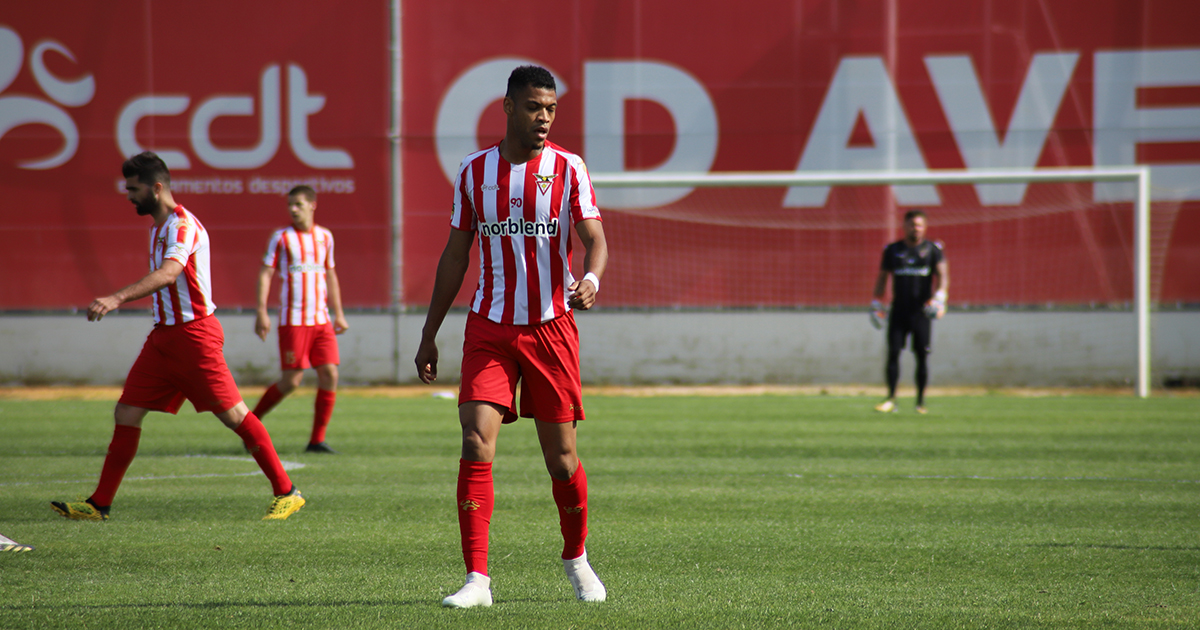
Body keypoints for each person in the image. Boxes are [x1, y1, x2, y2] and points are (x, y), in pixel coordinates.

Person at [414, 65, 609, 609]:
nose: (543, 118)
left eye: (550, 109)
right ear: (507, 107)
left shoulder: (569, 168)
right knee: (476, 440)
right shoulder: (474, 172)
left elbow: (594, 237)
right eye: (533, 107)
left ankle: (576, 559)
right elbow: (456, 255)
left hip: (551, 330)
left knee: (562, 460)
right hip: (489, 328)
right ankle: (477, 579)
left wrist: (590, 279)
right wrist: (430, 333)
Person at [51, 151, 305, 522]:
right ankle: (99, 504)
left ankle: (287, 491)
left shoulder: (181, 226)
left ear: (157, 188)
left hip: (194, 336)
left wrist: (116, 297)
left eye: (134, 189)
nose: (128, 196)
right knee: (127, 411)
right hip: (164, 339)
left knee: (235, 415)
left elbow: (170, 273)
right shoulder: (158, 227)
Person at [251, 185, 349, 453]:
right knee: (291, 381)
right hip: (293, 320)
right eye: (290, 205)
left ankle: (317, 440)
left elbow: (331, 275)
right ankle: (250, 423)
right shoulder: (281, 238)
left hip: (321, 320)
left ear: (312, 205)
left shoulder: (325, 237)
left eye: (299, 204)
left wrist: (337, 313)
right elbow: (265, 274)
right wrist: (261, 312)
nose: (293, 209)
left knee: (330, 374)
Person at [871, 209, 949, 414]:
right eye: (912, 224)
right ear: (904, 226)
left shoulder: (933, 249)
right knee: (893, 353)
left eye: (919, 225)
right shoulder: (893, 250)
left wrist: (940, 297)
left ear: (925, 227)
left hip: (922, 312)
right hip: (899, 311)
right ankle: (890, 399)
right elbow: (882, 277)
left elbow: (943, 276)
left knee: (922, 356)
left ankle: (920, 402)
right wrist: (876, 301)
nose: (916, 228)